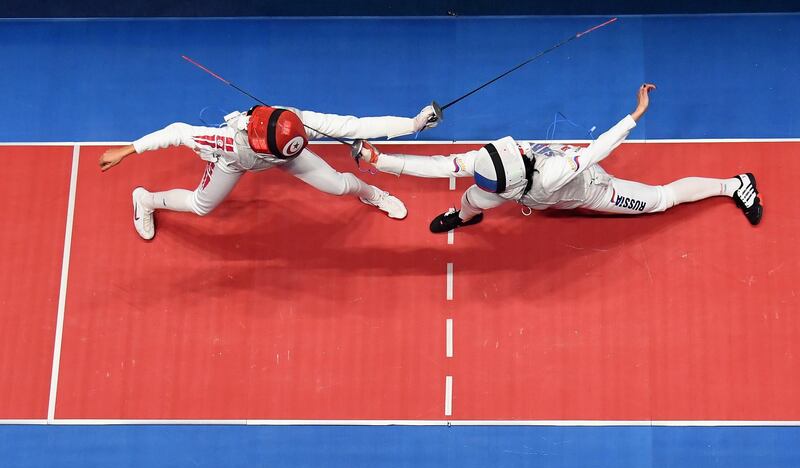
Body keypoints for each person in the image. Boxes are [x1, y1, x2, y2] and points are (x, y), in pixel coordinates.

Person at [357, 84, 763, 233]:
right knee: (469, 201)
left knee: (659, 200)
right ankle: (467, 217)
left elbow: (597, 151)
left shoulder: (552, 174)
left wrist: (632, 117)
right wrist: (381, 159)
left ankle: (735, 185)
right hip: (523, 191)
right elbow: (437, 167)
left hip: (590, 190)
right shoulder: (487, 161)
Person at [99, 104, 438, 240]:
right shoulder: (226, 140)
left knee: (337, 186)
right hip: (233, 163)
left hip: (286, 156)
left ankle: (373, 193)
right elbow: (176, 131)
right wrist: (128, 150)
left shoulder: (298, 124)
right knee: (202, 206)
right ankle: (145, 200)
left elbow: (356, 125)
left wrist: (413, 124)